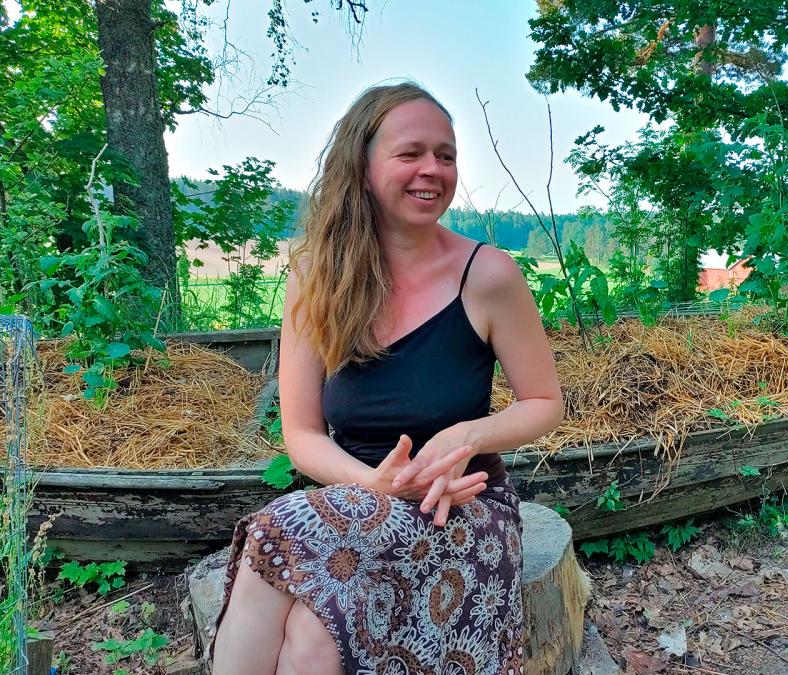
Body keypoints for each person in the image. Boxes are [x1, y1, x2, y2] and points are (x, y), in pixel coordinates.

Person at [210, 81, 564, 675]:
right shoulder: (316, 276)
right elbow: (302, 435)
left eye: (446, 155)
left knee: (282, 540)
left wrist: (468, 435)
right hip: (352, 501)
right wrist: (374, 485)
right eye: (410, 153)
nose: (433, 170)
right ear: (363, 165)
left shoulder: (488, 275)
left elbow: (544, 401)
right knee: (308, 630)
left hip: (460, 508)